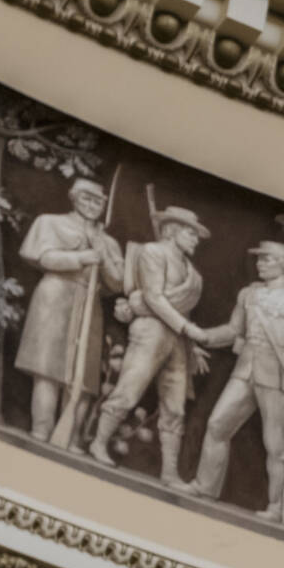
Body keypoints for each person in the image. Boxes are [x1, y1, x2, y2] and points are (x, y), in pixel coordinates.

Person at [188, 242, 284, 518]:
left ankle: (277, 506)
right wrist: (201, 335)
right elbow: (232, 330)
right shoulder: (249, 295)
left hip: (276, 376)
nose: (260, 264)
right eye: (259, 259)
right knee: (217, 425)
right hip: (245, 368)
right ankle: (205, 486)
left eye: (267, 259)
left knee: (276, 445)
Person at [89, 205, 210, 485]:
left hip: (177, 339)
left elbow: (172, 307)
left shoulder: (195, 276)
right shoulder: (153, 253)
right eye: (190, 233)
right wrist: (184, 326)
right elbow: (155, 298)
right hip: (152, 330)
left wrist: (190, 342)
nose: (195, 239)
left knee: (175, 406)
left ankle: (169, 472)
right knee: (129, 390)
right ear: (171, 231)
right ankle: (99, 443)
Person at [14, 176, 122, 445]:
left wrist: (104, 257)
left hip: (89, 303)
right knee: (47, 368)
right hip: (55, 296)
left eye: (98, 201)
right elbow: (44, 257)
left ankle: (70, 440)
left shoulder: (108, 242)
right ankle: (41, 430)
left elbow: (118, 282)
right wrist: (81, 258)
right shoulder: (51, 223)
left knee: (82, 377)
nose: (93, 204)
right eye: (86, 198)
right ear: (74, 198)